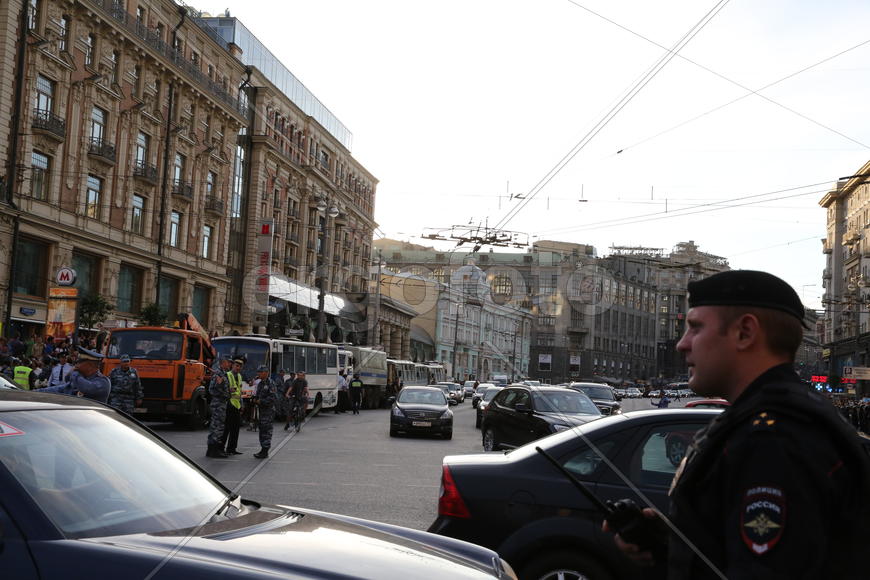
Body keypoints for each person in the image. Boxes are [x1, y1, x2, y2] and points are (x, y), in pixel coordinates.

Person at [605, 270, 870, 579]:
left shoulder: (772, 440)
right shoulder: (783, 416)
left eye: (696, 328)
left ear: (745, 332)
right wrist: (670, 543)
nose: (682, 344)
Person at [36, 346, 111, 402]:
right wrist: (34, 393)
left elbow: (86, 388)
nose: (76, 365)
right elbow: (59, 389)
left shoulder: (102, 382)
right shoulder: (80, 378)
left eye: (79, 362)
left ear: (90, 365)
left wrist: (74, 373)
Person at [206, 355, 233, 458]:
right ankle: (214, 450)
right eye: (228, 362)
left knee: (216, 426)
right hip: (218, 404)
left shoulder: (223, 373)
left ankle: (211, 450)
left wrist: (228, 391)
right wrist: (220, 386)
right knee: (217, 427)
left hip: (222, 403)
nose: (230, 364)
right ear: (223, 362)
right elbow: (212, 389)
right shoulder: (218, 374)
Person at [220, 357, 244, 455]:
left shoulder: (239, 376)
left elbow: (239, 391)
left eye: (240, 367)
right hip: (229, 403)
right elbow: (224, 389)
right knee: (227, 427)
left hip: (236, 404)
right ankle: (221, 448)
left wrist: (242, 404)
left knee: (236, 428)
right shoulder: (227, 375)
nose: (238, 368)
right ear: (232, 366)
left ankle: (232, 449)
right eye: (236, 366)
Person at [253, 365, 277, 458]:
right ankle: (262, 449)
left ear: (266, 373)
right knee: (262, 430)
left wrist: (261, 401)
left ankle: (265, 450)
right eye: (258, 372)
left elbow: (273, 398)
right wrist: (255, 399)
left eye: (260, 372)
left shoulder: (271, 383)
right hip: (261, 411)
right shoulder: (260, 384)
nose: (258, 374)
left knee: (267, 431)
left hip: (268, 411)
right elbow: (258, 395)